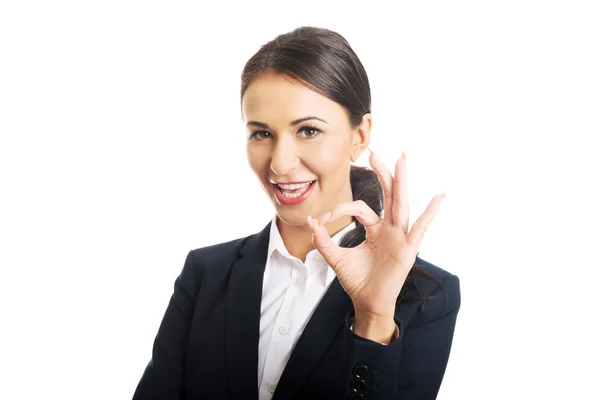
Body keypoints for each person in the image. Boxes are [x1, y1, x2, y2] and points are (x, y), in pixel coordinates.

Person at [133, 26, 461, 400]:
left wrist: (374, 319)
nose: (281, 163)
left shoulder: (425, 295)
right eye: (261, 133)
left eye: (307, 130)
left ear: (360, 135)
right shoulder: (206, 274)